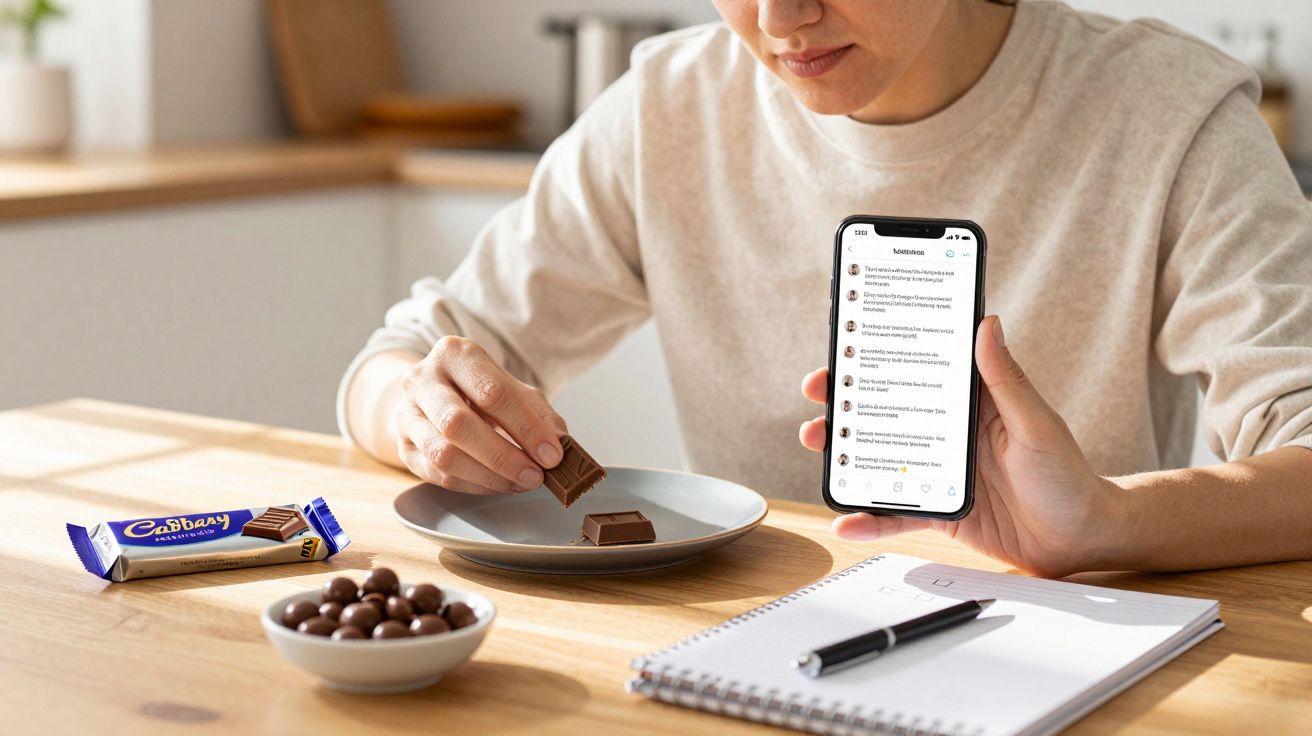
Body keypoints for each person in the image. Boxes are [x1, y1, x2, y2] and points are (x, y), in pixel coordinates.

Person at [339, 0, 1312, 577]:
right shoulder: (670, 108)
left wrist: (1111, 520)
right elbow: (403, 358)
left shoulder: (1168, 115)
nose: (777, 19)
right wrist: (416, 412)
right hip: (740, 658)